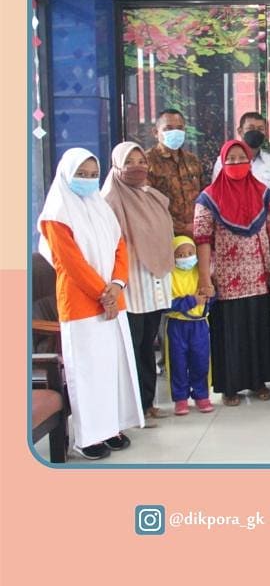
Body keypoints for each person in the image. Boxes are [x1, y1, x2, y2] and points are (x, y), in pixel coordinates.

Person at [37, 148, 143, 459]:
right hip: (81, 304)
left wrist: (117, 285)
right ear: (66, 175)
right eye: (81, 175)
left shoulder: (101, 207)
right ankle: (88, 438)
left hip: (113, 300)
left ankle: (111, 428)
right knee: (87, 371)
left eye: (93, 175)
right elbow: (69, 262)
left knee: (113, 368)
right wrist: (103, 293)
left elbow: (120, 248)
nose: (87, 180)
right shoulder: (56, 213)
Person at [194, 139, 270, 406]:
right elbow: (202, 239)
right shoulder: (208, 197)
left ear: (249, 161)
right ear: (222, 162)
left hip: (259, 276)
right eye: (230, 159)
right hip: (225, 278)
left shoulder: (265, 194)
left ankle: (259, 382)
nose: (236, 163)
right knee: (230, 332)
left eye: (241, 158)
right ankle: (229, 386)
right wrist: (204, 277)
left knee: (258, 329)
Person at [102, 141, 175, 424]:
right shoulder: (110, 200)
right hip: (128, 285)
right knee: (131, 346)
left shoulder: (150, 196)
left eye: (141, 161)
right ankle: (131, 408)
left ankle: (147, 402)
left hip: (153, 283)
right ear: (117, 166)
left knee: (147, 345)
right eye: (129, 162)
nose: (137, 167)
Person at [165, 236, 214, 415]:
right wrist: (191, 301)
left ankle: (202, 395)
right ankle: (180, 399)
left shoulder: (201, 274)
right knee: (177, 363)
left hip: (199, 325)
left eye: (190, 253)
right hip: (177, 325)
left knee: (201, 361)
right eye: (180, 255)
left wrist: (210, 295)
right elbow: (166, 304)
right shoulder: (168, 276)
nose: (186, 258)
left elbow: (210, 298)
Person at [146, 108, 206, 236]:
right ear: (155, 132)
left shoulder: (192, 160)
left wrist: (201, 223)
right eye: (168, 128)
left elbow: (204, 195)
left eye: (179, 128)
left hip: (197, 233)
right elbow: (147, 205)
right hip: (164, 234)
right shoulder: (147, 162)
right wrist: (182, 228)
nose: (175, 132)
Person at [212, 111, 270, 195]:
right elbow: (216, 194)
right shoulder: (224, 161)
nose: (256, 132)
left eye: (260, 129)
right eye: (250, 128)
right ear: (240, 131)